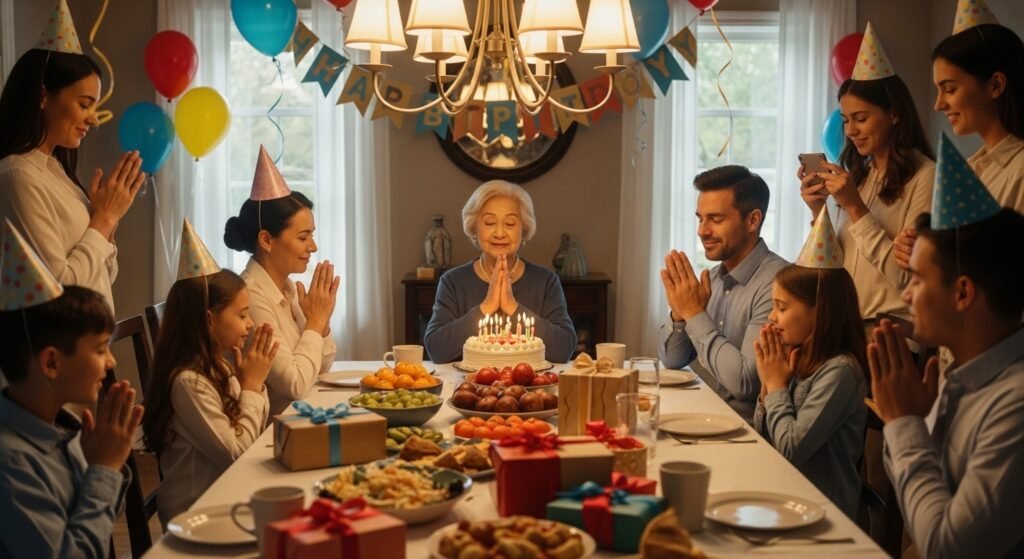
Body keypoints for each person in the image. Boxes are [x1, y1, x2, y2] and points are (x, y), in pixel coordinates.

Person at [869, 179, 1024, 559]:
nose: (906, 295)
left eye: (918, 280)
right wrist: (914, 422)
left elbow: (946, 548)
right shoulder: (959, 379)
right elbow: (919, 504)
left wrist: (903, 424)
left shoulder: (1014, 405)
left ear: (963, 293)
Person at [0, 220, 142, 559]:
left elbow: (93, 522)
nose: (110, 362)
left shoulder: (60, 430)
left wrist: (98, 464)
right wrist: (104, 469)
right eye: (99, 349)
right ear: (51, 362)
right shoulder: (11, 462)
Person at [0, 0, 144, 312]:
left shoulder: (56, 171)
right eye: (84, 103)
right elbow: (60, 288)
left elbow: (105, 276)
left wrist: (107, 221)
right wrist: (103, 220)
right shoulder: (17, 175)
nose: (93, 118)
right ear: (42, 97)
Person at [143, 220, 277, 525]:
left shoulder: (218, 366)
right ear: (209, 320)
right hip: (198, 517)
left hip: (226, 500)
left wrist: (250, 384)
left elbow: (251, 432)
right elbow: (237, 453)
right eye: (242, 315)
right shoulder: (188, 382)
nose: (251, 324)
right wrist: (252, 387)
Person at [799, 24, 934, 323]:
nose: (851, 131)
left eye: (861, 118)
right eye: (847, 120)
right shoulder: (861, 177)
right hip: (849, 329)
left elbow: (907, 278)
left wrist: (855, 207)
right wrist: (818, 208)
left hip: (891, 334)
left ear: (894, 114)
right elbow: (839, 266)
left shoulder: (926, 177)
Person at [753, 209, 867, 519]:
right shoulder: (797, 357)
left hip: (824, 515)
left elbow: (790, 449)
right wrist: (768, 387)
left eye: (782, 307)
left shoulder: (840, 371)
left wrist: (776, 387)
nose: (772, 317)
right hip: (784, 499)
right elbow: (765, 441)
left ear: (820, 311)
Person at [893, 1, 1024, 268]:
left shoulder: (1019, 171)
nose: (938, 104)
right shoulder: (972, 171)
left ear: (995, 85)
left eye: (950, 89)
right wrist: (923, 249)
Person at [658, 165, 788, 423]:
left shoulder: (779, 283)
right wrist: (680, 312)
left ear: (752, 220)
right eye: (700, 218)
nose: (702, 231)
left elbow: (744, 383)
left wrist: (695, 313)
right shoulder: (714, 278)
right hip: (702, 419)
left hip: (748, 438)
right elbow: (672, 360)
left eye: (715, 220)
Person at [224, 146, 338, 414]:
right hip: (269, 432)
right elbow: (295, 384)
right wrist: (315, 323)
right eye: (303, 237)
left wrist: (320, 324)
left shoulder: (287, 288)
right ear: (267, 240)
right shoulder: (250, 297)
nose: (313, 247)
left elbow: (323, 364)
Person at [424, 180, 576, 364]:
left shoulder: (546, 281)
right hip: (469, 389)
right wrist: (486, 307)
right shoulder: (452, 282)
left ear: (524, 229)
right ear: (474, 228)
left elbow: (564, 348)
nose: (499, 233)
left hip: (530, 389)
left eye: (510, 223)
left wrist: (512, 307)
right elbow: (436, 349)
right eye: (489, 222)